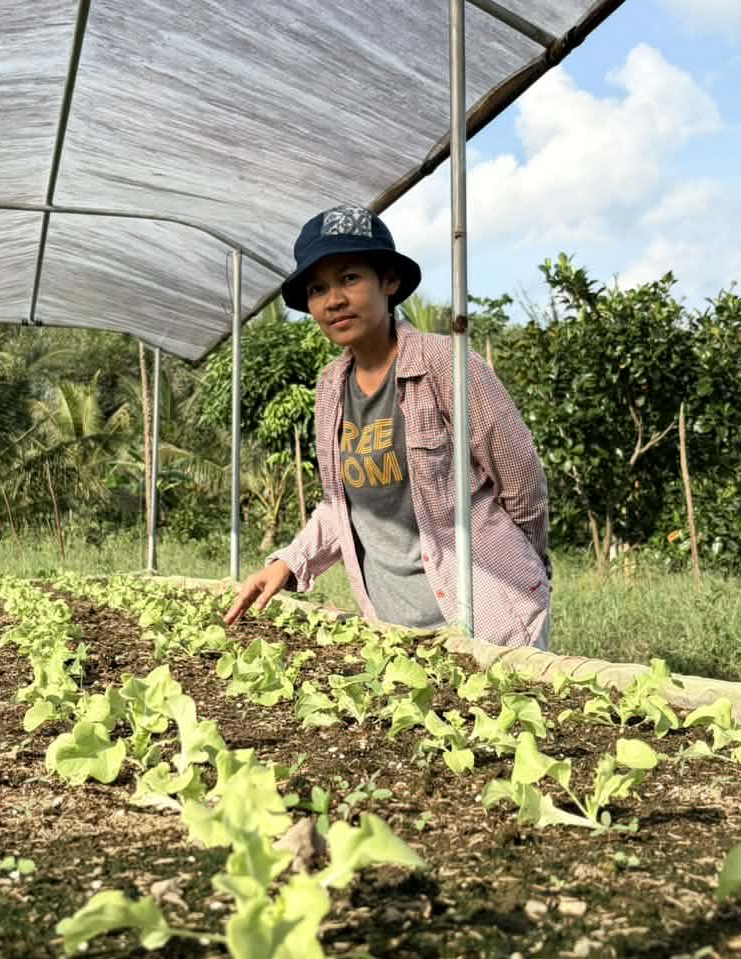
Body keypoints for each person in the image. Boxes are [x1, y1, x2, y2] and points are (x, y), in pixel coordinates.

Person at [224, 204, 551, 649]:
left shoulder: (446, 364)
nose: (333, 299)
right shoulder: (330, 389)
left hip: (486, 616)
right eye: (318, 288)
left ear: (389, 282)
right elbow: (341, 504)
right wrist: (287, 563)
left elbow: (520, 478)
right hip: (391, 627)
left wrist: (523, 563)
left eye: (350, 278)